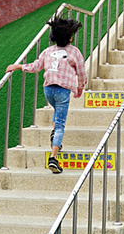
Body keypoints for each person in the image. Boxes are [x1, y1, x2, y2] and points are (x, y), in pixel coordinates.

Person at [7, 17, 87, 174]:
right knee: (60, 124)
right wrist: (80, 87)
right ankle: (53, 158)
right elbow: (82, 73)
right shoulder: (74, 52)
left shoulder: (48, 51)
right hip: (63, 90)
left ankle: (54, 135)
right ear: (70, 37)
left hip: (48, 90)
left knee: (57, 114)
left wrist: (18, 66)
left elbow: (36, 66)